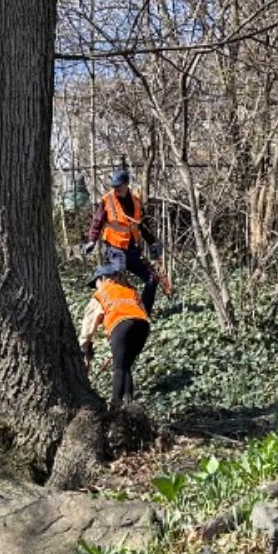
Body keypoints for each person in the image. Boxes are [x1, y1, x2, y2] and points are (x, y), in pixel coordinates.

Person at [82, 163, 162, 310]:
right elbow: (97, 221)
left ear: (126, 184)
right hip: (115, 248)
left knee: (152, 280)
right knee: (118, 277)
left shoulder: (137, 201)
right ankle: (102, 275)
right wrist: (92, 241)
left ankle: (143, 311)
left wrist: (152, 243)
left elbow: (142, 226)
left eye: (119, 185)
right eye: (114, 185)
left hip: (132, 250)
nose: (116, 188)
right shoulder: (107, 200)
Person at [78, 262, 152, 412]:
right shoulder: (131, 291)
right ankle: (129, 404)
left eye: (96, 282)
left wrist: (84, 346)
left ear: (103, 278)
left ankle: (115, 407)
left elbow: (88, 324)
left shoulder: (101, 294)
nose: (96, 286)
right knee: (126, 366)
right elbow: (142, 310)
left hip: (121, 326)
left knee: (119, 368)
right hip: (142, 326)